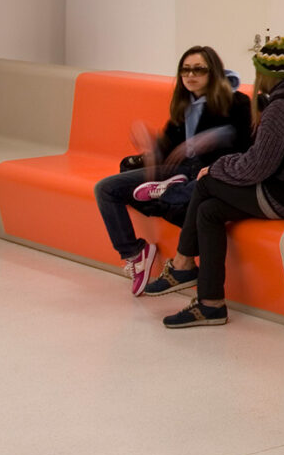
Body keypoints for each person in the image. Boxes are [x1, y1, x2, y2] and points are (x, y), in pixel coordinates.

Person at [147, 42, 284, 328]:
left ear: (264, 73)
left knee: (206, 182)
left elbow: (258, 167)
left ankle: (182, 264)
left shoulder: (282, 107)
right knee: (208, 211)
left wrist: (217, 167)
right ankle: (211, 304)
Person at [93, 47, 252, 296]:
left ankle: (172, 191)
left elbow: (244, 148)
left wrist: (212, 139)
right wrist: (152, 143)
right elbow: (168, 149)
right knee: (106, 188)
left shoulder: (237, 102)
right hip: (179, 169)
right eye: (185, 69)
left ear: (214, 72)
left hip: (210, 174)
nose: (190, 75)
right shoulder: (183, 104)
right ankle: (135, 253)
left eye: (198, 69)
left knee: (181, 203)